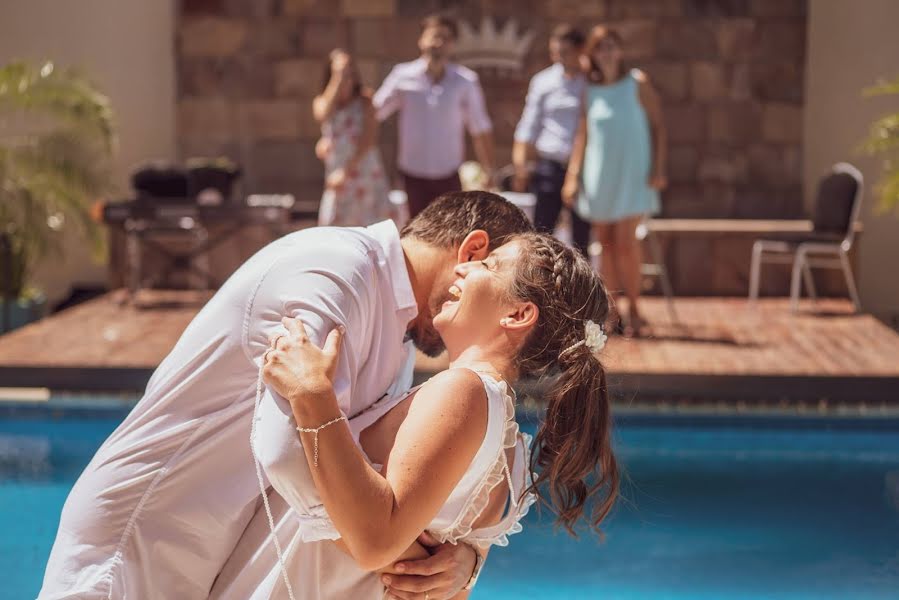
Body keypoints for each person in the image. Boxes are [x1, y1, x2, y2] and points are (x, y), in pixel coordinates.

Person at [38, 192, 532, 600]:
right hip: (144, 539)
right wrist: (398, 550)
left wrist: (462, 562)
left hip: (217, 557)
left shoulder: (403, 333)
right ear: (471, 252)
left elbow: (376, 472)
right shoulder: (335, 270)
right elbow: (288, 449)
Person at [238, 231, 619, 599]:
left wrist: (314, 393)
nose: (462, 268)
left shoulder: (464, 392)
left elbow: (376, 543)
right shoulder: (508, 442)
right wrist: (467, 565)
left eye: (488, 264)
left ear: (518, 313)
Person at [562, 25, 667, 337]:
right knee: (605, 243)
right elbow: (583, 136)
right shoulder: (589, 90)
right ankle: (612, 309)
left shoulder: (637, 83)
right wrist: (572, 176)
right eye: (600, 47)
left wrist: (658, 168)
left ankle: (635, 308)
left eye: (611, 46)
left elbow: (658, 126)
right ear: (592, 54)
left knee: (626, 242)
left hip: (633, 175)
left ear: (619, 50)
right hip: (599, 176)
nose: (606, 52)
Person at [373, 14, 495, 219]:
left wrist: (489, 170)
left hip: (448, 175)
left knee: (447, 234)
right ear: (421, 40)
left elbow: (480, 127)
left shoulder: (465, 81)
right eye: (433, 37)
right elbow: (375, 112)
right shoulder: (402, 76)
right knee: (415, 232)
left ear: (452, 45)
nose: (438, 43)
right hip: (412, 174)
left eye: (445, 38)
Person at [512, 24, 591, 257]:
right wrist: (520, 163)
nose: (559, 57)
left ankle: (579, 292)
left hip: (585, 168)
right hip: (549, 167)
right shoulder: (543, 81)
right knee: (541, 237)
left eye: (565, 51)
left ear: (580, 50)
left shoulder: (592, 81)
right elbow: (529, 124)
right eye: (555, 52)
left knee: (581, 240)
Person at [314, 48, 391, 227]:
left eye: (349, 70)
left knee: (368, 227)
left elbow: (369, 139)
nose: (346, 75)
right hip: (336, 174)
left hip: (362, 172)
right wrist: (337, 80)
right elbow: (323, 114)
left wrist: (345, 171)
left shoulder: (365, 100)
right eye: (340, 71)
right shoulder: (323, 101)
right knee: (333, 228)